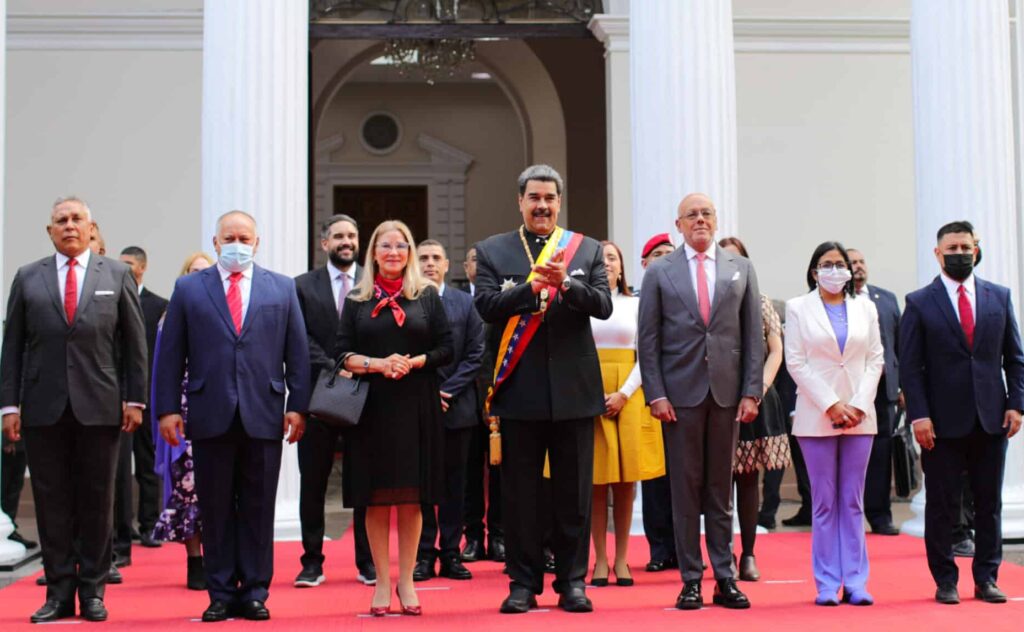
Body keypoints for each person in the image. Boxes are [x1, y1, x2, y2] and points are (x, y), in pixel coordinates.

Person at [154, 211, 310, 622]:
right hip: (210, 412)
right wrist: (167, 409)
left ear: (257, 243)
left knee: (259, 507)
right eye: (229, 237)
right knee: (216, 507)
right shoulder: (189, 288)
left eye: (244, 237)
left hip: (264, 412)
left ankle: (255, 591)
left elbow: (297, 353)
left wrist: (297, 405)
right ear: (216, 242)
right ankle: (220, 592)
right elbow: (171, 354)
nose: (237, 244)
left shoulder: (282, 288)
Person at [0, 197, 148, 623]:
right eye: (61, 220)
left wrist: (135, 400)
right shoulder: (28, 277)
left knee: (97, 502)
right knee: (52, 504)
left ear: (90, 227)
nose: (69, 225)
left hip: (100, 408)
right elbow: (13, 347)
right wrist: (9, 405)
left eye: (76, 219)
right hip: (42, 409)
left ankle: (93, 592)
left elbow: (134, 344)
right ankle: (59, 593)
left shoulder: (116, 275)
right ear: (50, 231)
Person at [474, 164, 611, 614]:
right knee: (520, 498)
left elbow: (604, 306)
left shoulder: (586, 249)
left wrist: (565, 283)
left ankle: (572, 582)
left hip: (575, 392)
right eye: (534, 197)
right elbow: (486, 307)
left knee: (574, 497)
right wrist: (530, 288)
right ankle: (522, 583)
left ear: (559, 202)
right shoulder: (493, 250)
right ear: (520, 202)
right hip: (520, 390)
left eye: (550, 198)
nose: (542, 206)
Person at [637, 193, 762, 611]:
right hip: (679, 396)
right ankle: (691, 579)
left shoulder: (740, 267)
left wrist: (752, 390)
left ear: (716, 220)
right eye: (691, 215)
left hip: (727, 394)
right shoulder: (660, 271)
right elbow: (648, 338)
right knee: (686, 490)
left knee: (720, 491)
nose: (700, 220)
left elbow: (752, 336)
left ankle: (725, 577)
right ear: (679, 225)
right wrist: (655, 393)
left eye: (707, 213)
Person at [900, 220, 1024, 605]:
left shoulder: (998, 297)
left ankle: (987, 577)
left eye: (965, 248)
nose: (959, 254)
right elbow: (910, 367)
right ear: (938, 254)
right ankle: (945, 580)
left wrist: (1017, 404)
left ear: (976, 250)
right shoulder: (919, 302)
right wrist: (919, 415)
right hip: (940, 423)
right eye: (951, 248)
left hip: (991, 418)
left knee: (989, 505)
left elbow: (1014, 358)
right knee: (942, 505)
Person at [334, 220, 452, 616]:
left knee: (412, 498)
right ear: (373, 252)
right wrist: (378, 364)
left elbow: (446, 348)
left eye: (401, 246)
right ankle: (382, 581)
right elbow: (341, 353)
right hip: (372, 408)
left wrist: (413, 362)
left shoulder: (427, 296)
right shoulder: (356, 300)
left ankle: (407, 581)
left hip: (416, 404)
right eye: (385, 246)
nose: (393, 252)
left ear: (410, 253)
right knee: (376, 498)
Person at [785, 241, 883, 606]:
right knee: (824, 502)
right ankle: (826, 583)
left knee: (853, 501)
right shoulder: (798, 307)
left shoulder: (866, 307)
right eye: (826, 264)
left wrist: (857, 404)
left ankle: (856, 581)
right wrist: (831, 404)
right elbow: (796, 362)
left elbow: (875, 359)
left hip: (860, 414)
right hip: (816, 414)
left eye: (840, 264)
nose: (835, 270)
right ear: (814, 272)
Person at [293, 214, 375, 588]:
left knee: (364, 482)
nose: (346, 241)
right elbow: (300, 338)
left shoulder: (374, 282)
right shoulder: (302, 286)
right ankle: (312, 562)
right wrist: (337, 367)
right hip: (318, 397)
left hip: (366, 396)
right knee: (313, 482)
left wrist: (360, 366)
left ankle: (367, 562)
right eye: (339, 236)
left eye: (352, 235)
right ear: (325, 243)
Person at [588, 240, 665, 588]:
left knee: (624, 481)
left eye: (612, 258)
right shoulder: (582, 305)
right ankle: (600, 559)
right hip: (590, 393)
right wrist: (594, 392)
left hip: (629, 393)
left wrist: (623, 393)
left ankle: (621, 558)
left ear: (621, 267)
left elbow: (646, 353)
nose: (606, 263)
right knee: (596, 481)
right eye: (600, 258)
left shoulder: (636, 304)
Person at [718, 237, 790, 582]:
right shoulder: (707, 300)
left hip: (755, 397)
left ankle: (747, 553)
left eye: (737, 259)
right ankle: (722, 555)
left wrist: (759, 387)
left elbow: (776, 349)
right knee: (717, 483)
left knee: (748, 480)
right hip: (717, 397)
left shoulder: (760, 301)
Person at [414, 239, 484, 582]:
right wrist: (427, 394)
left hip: (458, 406)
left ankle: (452, 553)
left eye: (435, 258)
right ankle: (424, 554)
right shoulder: (407, 302)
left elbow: (475, 354)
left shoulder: (465, 303)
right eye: (423, 258)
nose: (429, 263)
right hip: (417, 408)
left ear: (446, 265)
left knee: (457, 485)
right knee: (423, 486)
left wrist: (446, 391)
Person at [150, 251, 214, 591]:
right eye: (194, 271)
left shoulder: (224, 311)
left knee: (219, 489)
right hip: (183, 414)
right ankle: (195, 561)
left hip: (218, 410)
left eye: (206, 271)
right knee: (188, 490)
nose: (199, 277)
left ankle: (220, 559)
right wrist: (165, 411)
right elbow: (162, 370)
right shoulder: (169, 317)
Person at [846, 248, 902, 536]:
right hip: (849, 390)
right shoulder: (835, 300)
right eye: (851, 263)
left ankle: (880, 515)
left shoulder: (886, 298)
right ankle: (849, 516)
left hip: (883, 390)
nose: (858, 267)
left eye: (861, 261)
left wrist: (903, 385)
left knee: (881, 454)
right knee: (851, 454)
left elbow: (901, 344)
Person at [118, 246, 167, 549]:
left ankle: (150, 525)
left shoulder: (159, 305)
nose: (123, 269)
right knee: (119, 470)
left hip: (149, 398)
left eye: (129, 264)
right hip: (117, 398)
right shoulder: (110, 299)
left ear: (142, 267)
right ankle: (122, 528)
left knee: (148, 466)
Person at [636, 233, 678, 573]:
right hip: (646, 395)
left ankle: (685, 547)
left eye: (670, 254)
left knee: (684, 475)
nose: (665, 260)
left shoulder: (684, 296)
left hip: (684, 393)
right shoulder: (634, 301)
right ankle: (660, 548)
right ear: (645, 263)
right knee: (654, 476)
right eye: (658, 254)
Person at [461, 245, 505, 564]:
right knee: (469, 472)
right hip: (464, 397)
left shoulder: (503, 300)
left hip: (499, 397)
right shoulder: (456, 300)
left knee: (500, 471)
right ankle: (473, 536)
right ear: (465, 268)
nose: (480, 265)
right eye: (475, 260)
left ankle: (500, 536)